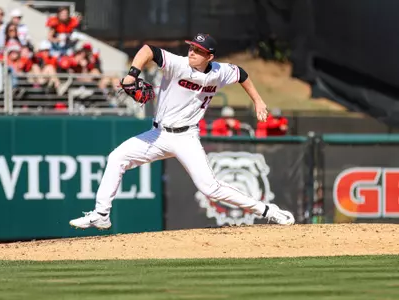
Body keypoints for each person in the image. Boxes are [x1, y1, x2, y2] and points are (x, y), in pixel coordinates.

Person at [69, 33, 295, 230]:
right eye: (192, 47)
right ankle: (101, 214)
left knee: (211, 188)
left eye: (199, 50)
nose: (192, 52)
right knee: (117, 157)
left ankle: (267, 211)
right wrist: (132, 75)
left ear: (210, 57)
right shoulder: (178, 63)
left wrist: (258, 101)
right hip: (157, 136)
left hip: (186, 137)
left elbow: (241, 74)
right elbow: (149, 50)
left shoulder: (219, 71)